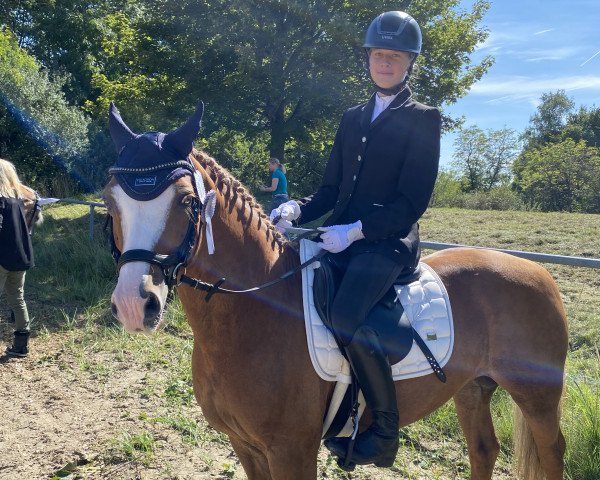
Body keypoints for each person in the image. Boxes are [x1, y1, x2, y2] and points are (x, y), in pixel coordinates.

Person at [270, 11, 440, 468]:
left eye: (395, 56)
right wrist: (295, 209)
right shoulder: (352, 117)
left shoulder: (424, 119)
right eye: (378, 54)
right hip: (339, 234)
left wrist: (356, 230)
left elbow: (413, 201)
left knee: (345, 313)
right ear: (368, 59)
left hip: (387, 242)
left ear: (409, 62)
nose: (384, 62)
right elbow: (330, 189)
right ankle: (330, 403)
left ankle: (383, 431)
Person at [0, 158, 37, 357]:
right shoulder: (17, 202)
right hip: (19, 258)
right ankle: (21, 345)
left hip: (1, 258)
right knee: (18, 299)